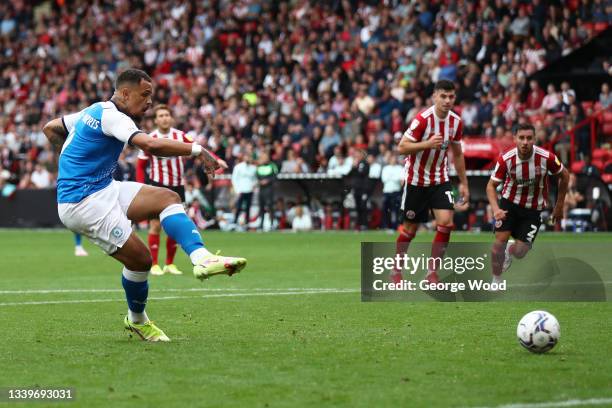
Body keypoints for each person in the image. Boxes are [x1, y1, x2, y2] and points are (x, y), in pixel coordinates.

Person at [42, 69, 246, 342]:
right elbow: (150, 145)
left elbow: (52, 127)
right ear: (125, 93)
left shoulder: (94, 110)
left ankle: (202, 258)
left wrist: (70, 164)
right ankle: (137, 320)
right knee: (142, 261)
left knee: (168, 198)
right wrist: (198, 150)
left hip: (103, 188)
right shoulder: (114, 117)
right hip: (83, 203)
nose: (149, 102)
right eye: (145, 94)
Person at [393, 79, 470, 283]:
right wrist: (427, 144)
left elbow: (458, 154)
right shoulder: (422, 119)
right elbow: (401, 147)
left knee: (446, 223)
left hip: (440, 180)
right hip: (416, 181)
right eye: (443, 96)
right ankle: (396, 270)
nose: (447, 100)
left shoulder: (456, 122)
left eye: (451, 96)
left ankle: (431, 273)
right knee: (410, 230)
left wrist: (464, 183)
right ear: (434, 96)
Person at [136, 104, 225, 276]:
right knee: (155, 225)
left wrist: (216, 159)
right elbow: (141, 166)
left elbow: (199, 149)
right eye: (160, 115)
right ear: (155, 120)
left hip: (177, 187)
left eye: (167, 114)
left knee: (175, 227)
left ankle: (170, 263)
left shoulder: (180, 136)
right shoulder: (150, 138)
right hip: (157, 186)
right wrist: (140, 187)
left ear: (171, 118)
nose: (164, 118)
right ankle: (154, 264)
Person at [487, 123, 569, 284]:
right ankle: (495, 280)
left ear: (535, 139)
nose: (525, 142)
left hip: (533, 209)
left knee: (520, 252)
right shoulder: (506, 159)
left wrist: (559, 206)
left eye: (529, 138)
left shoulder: (546, 158)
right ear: (515, 139)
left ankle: (511, 250)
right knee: (499, 242)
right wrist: (496, 209)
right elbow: (490, 186)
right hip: (509, 204)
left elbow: (565, 176)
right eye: (521, 138)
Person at [231, 154, 257, 229]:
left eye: (249, 157)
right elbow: (234, 179)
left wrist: (254, 186)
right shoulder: (238, 167)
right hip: (241, 190)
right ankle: (235, 222)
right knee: (238, 207)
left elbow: (255, 179)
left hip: (249, 190)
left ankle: (247, 223)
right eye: (246, 156)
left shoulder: (253, 168)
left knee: (248, 207)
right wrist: (237, 190)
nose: (248, 158)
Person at [256, 152, 279, 230]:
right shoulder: (259, 167)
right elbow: (257, 176)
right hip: (261, 189)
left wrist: (267, 181)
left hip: (269, 189)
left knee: (270, 206)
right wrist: (259, 181)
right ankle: (261, 224)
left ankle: (272, 223)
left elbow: (275, 176)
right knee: (261, 207)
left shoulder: (272, 166)